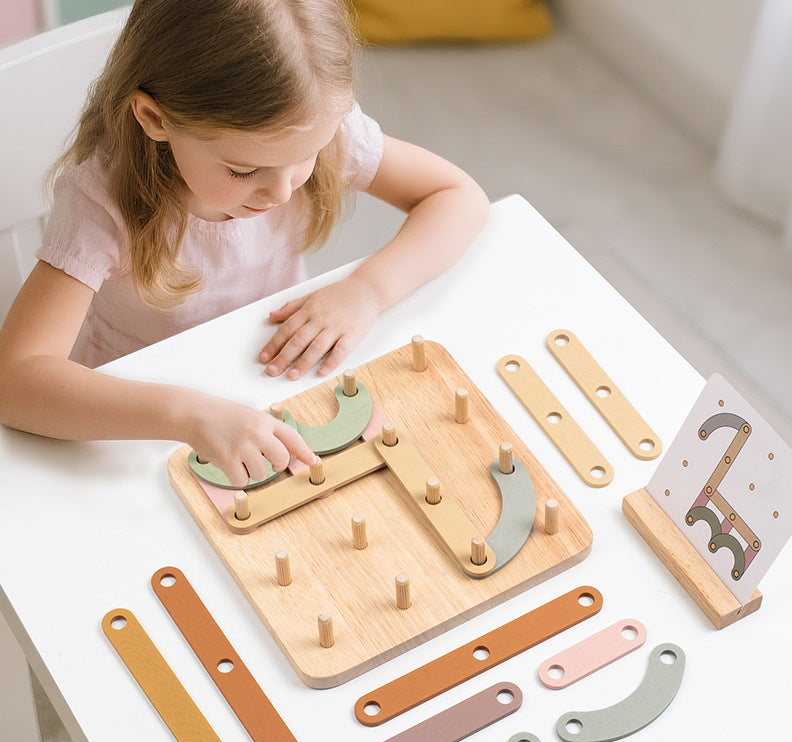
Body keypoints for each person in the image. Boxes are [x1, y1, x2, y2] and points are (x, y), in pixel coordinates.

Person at [0, 0, 489, 487]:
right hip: (133, 419)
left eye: (308, 156)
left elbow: (458, 197)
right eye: (243, 170)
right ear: (154, 118)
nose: (281, 192)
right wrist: (188, 415)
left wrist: (369, 290)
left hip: (264, 379)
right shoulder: (99, 205)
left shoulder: (307, 130)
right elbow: (16, 380)